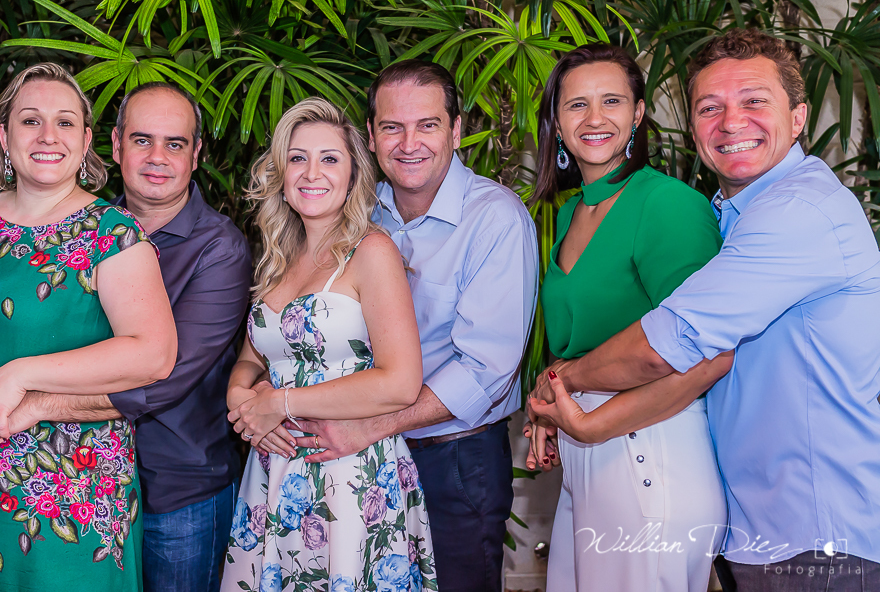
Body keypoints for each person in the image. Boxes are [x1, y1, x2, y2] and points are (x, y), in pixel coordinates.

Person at [530, 29, 880, 592]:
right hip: (757, 522)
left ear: (798, 118)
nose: (731, 122)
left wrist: (559, 386)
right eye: (710, 107)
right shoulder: (734, 214)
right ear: (692, 128)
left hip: (816, 530)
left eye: (754, 101)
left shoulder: (799, 212)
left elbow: (673, 344)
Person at [0, 82, 252, 592]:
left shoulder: (115, 232)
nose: (48, 135)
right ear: (3, 135)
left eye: (64, 121)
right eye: (30, 120)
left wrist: (25, 386)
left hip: (81, 481)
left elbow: (160, 365)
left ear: (85, 140)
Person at [291, 60, 540, 592]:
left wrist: (371, 427)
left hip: (453, 463)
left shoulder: (494, 218)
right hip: (359, 460)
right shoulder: (355, 215)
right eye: (392, 127)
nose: (409, 144)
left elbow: (485, 370)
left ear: (456, 130)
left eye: (427, 125)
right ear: (371, 136)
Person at [523, 43, 730, 592]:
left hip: (650, 448)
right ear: (556, 122)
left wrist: (590, 418)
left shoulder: (667, 204)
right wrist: (551, 404)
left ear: (638, 113)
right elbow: (579, 342)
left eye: (611, 101)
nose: (594, 118)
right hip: (588, 456)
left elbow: (710, 357)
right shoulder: (573, 210)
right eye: (577, 105)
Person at [222, 97, 438, 592]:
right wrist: (239, 396)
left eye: (330, 158)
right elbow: (253, 357)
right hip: (275, 471)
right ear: (281, 172)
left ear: (353, 173)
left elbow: (401, 383)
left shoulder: (372, 251)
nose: (312, 172)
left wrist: (280, 403)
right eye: (298, 157)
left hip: (350, 472)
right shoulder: (278, 257)